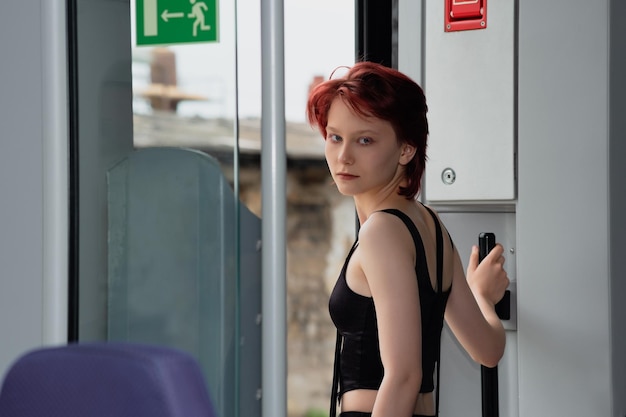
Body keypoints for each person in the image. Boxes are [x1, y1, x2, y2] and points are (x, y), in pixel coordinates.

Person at [306, 61, 510, 417]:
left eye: (365, 139)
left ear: (406, 150)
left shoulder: (380, 232)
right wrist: (481, 297)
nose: (343, 156)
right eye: (335, 137)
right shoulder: (430, 226)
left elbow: (403, 376)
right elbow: (488, 349)